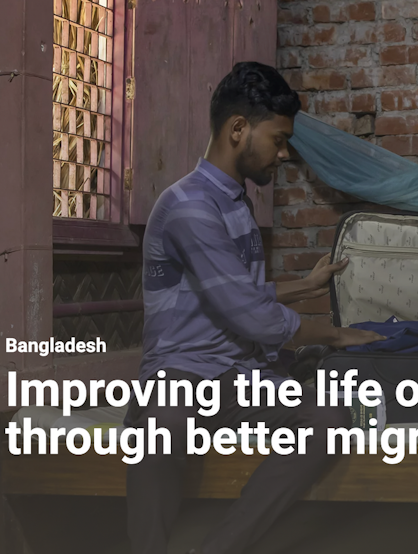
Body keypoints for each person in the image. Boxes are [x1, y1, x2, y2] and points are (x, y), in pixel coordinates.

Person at [125, 62, 384, 554]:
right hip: (181, 373)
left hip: (237, 375)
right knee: (159, 433)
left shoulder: (235, 203)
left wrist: (305, 285)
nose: (284, 154)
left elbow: (238, 291)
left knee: (330, 419)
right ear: (238, 129)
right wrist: (332, 333)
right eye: (279, 139)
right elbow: (250, 314)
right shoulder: (188, 207)